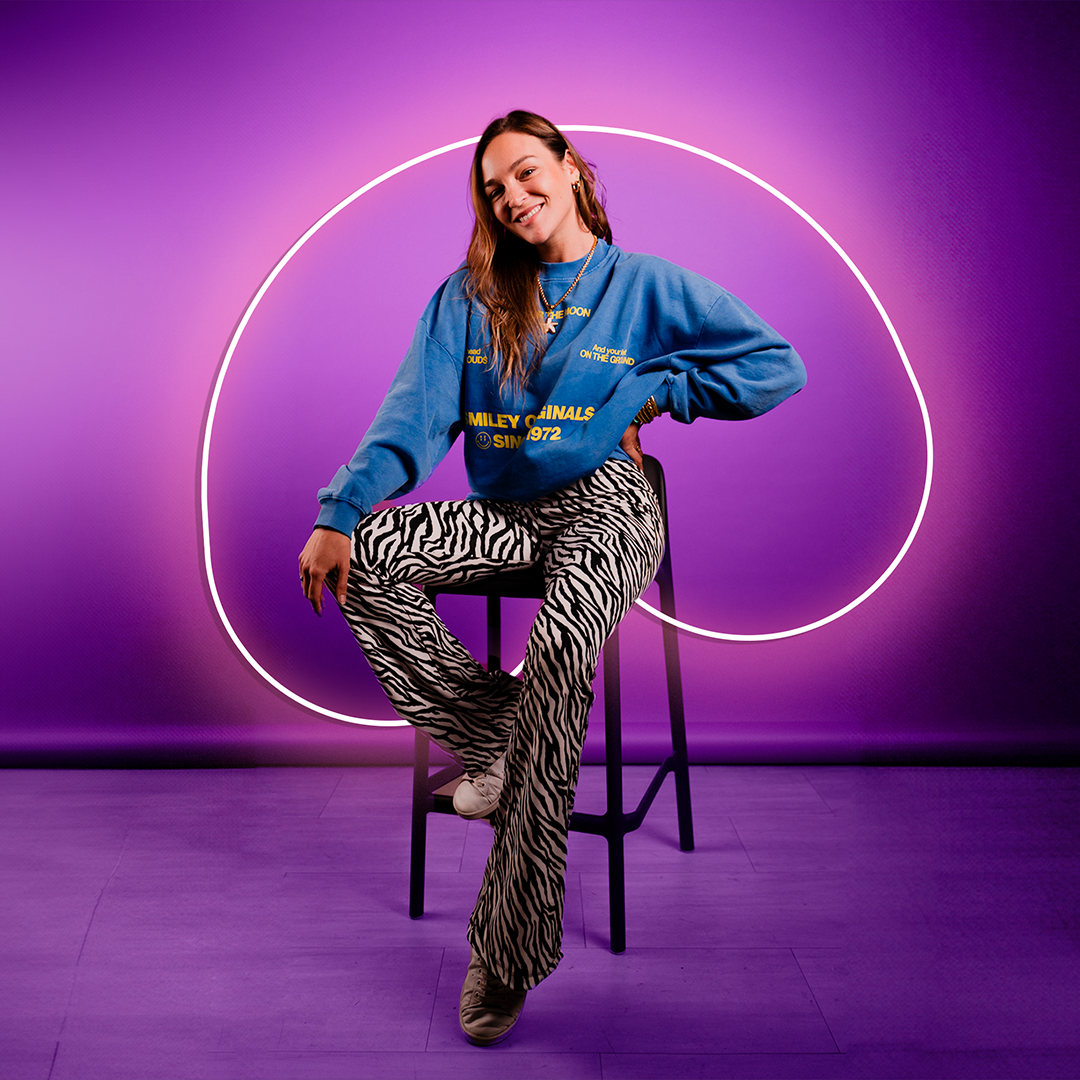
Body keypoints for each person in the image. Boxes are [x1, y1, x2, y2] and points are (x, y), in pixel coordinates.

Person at [298, 110, 806, 1046]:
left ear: (571, 169)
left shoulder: (643, 284)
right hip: (507, 514)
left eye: (528, 172)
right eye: (494, 189)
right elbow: (411, 422)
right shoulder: (469, 297)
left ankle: (508, 947)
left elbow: (779, 366)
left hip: (610, 503)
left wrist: (664, 392)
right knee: (370, 556)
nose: (513, 197)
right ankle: (503, 740)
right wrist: (340, 512)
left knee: (565, 644)